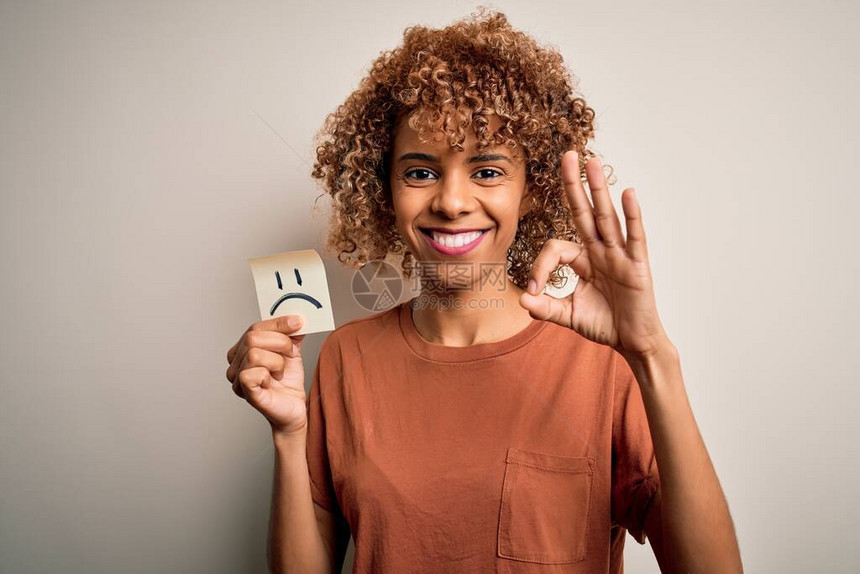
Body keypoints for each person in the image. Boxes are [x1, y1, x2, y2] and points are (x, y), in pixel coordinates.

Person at [225, 8, 743, 573]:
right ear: (385, 191)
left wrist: (651, 353)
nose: (451, 201)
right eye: (420, 172)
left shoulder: (605, 365)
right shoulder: (346, 358)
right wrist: (288, 433)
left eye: (488, 171)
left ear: (533, 191)